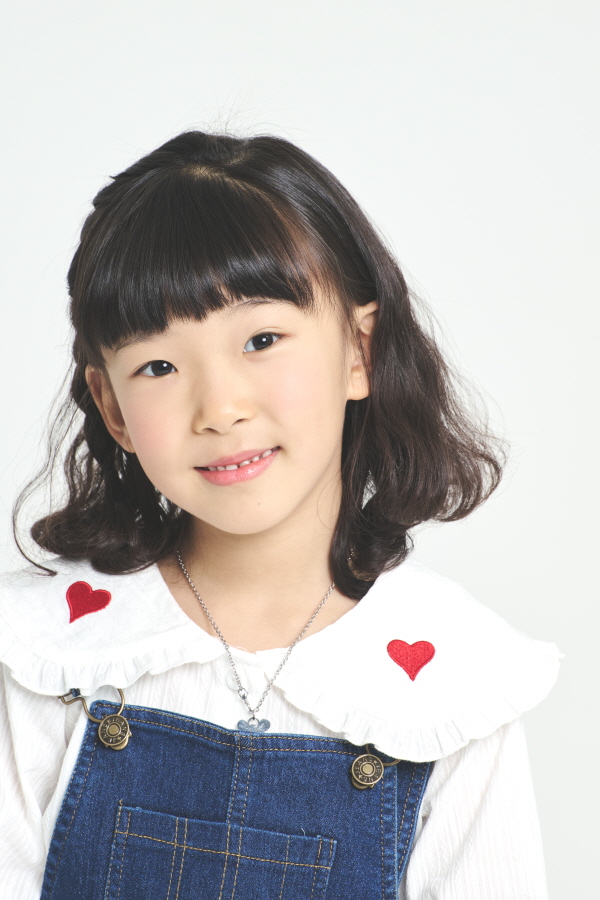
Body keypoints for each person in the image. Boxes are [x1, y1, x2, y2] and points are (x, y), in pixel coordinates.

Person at [0, 130, 561, 900]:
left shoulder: (455, 687)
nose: (220, 407)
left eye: (261, 339)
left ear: (359, 351)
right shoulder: (43, 654)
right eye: (158, 366)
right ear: (113, 407)